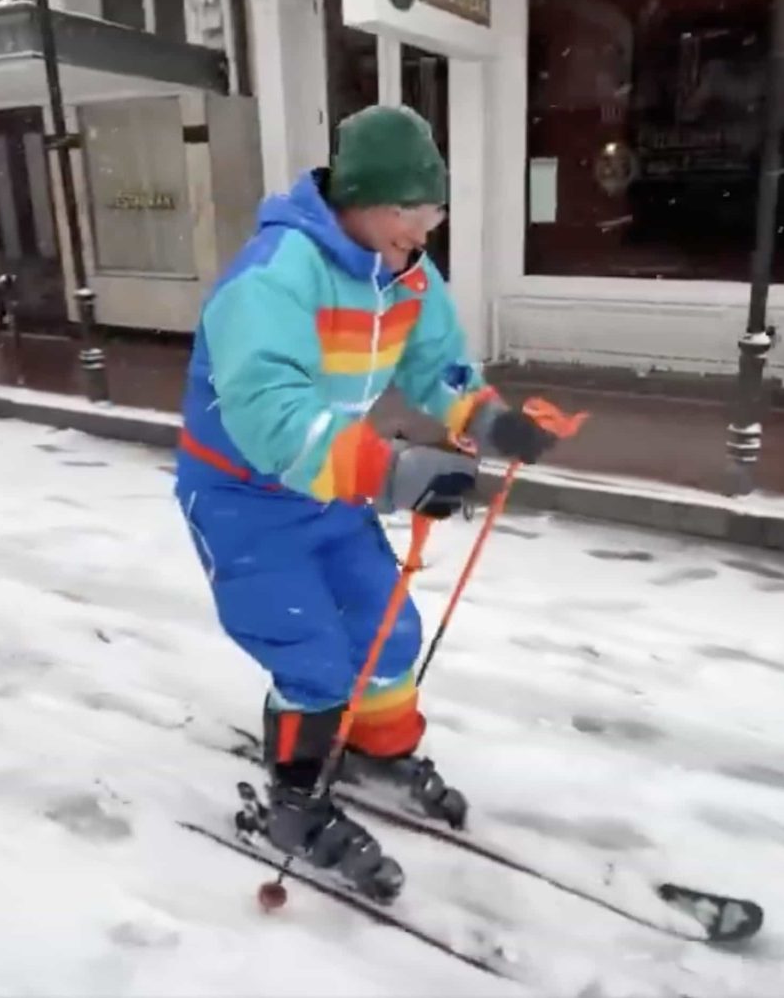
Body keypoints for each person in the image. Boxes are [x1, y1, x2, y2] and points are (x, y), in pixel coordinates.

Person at [177, 106, 563, 895]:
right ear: (363, 197)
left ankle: (379, 752)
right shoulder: (275, 275)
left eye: (434, 218)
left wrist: (489, 421)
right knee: (312, 657)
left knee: (387, 630)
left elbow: (439, 363)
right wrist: (392, 472)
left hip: (332, 490)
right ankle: (295, 802)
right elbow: (270, 416)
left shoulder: (405, 272)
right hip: (245, 498)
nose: (425, 233)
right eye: (412, 215)